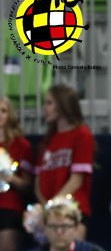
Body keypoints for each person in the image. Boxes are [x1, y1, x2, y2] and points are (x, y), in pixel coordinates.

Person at [36, 85, 94, 240]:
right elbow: (38, 182)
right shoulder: (47, 140)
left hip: (72, 209)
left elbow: (76, 180)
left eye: (50, 103)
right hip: (49, 213)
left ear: (63, 105)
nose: (45, 108)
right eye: (45, 103)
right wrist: (46, 207)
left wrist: (52, 206)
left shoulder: (82, 135)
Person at [0, 96, 35, 251]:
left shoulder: (22, 146)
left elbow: (27, 183)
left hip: (10, 206)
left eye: (3, 110)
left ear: (10, 115)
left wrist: (8, 177)